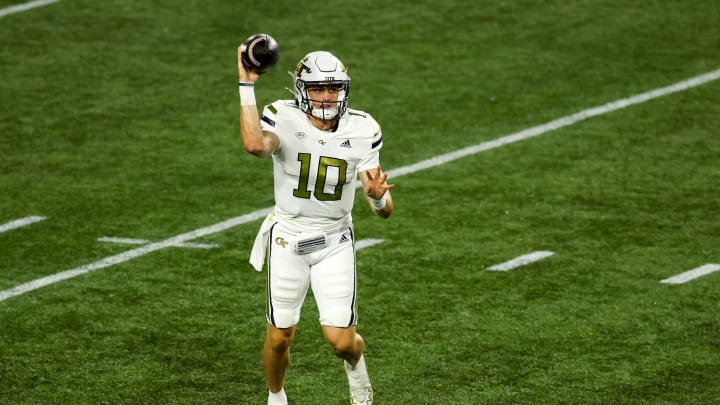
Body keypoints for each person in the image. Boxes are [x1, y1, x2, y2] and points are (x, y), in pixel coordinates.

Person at [237, 45, 394, 405]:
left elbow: (384, 211)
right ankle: (276, 396)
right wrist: (246, 84)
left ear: (344, 89)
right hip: (287, 238)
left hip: (334, 239)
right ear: (302, 90)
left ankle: (359, 379)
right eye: (318, 89)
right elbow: (254, 145)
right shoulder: (283, 117)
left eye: (333, 88)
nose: (326, 96)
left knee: (341, 341)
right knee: (279, 337)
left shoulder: (363, 127)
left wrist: (374, 196)